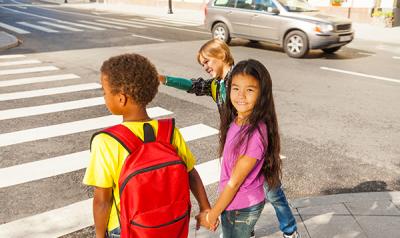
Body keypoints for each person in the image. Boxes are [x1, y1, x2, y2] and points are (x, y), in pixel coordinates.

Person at [160, 39, 300, 238]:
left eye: (207, 61)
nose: (205, 67)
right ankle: (246, 229)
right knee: (244, 189)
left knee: (273, 193)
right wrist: (164, 79)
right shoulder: (216, 85)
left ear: (222, 56)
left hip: (254, 148)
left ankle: (290, 230)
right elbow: (192, 85)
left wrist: (212, 214)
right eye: (202, 64)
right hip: (238, 149)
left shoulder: (241, 76)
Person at [83, 53, 212, 238]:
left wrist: (99, 235)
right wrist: (205, 207)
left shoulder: (106, 141)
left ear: (121, 99)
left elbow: (102, 200)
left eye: (105, 91)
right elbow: (191, 173)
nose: (104, 97)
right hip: (170, 223)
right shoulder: (168, 132)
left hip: (125, 228)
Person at [196, 59, 281, 237]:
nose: (240, 95)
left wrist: (213, 214)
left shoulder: (254, 134)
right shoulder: (238, 119)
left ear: (262, 94)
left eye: (249, 90)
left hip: (241, 207)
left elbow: (234, 183)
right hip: (234, 204)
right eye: (236, 88)